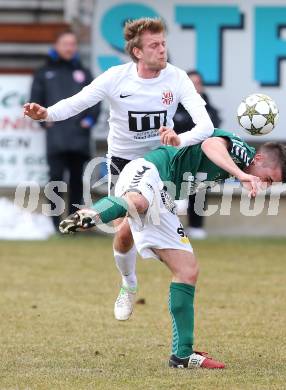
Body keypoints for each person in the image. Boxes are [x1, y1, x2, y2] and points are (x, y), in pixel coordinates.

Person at [23, 18, 214, 321]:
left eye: (163, 43)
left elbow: (206, 125)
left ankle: (172, 259)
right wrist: (47, 112)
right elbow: (78, 102)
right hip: (123, 164)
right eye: (154, 45)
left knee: (142, 224)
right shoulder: (116, 78)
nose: (162, 50)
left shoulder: (177, 78)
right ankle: (128, 284)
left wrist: (180, 139)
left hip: (161, 161)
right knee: (124, 231)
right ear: (137, 52)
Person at [59, 129, 286, 369]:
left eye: (269, 185)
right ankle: (91, 217)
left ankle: (182, 355)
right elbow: (210, 145)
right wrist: (240, 174)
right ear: (259, 159)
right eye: (266, 179)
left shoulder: (239, 164)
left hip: (164, 197)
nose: (263, 185)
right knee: (136, 205)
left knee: (187, 270)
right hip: (149, 170)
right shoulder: (242, 151)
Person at [29, 30, 101, 230]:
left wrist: (89, 120)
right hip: (56, 136)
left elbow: (95, 100)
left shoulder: (83, 73)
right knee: (56, 179)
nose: (69, 48)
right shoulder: (44, 72)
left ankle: (74, 225)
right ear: (57, 47)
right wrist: (44, 122)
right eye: (65, 44)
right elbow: (35, 100)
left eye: (72, 44)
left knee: (77, 180)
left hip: (79, 135)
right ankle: (54, 223)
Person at [173, 70, 221, 239]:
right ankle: (171, 228)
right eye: (191, 83)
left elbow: (212, 131)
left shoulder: (210, 110)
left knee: (200, 186)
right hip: (175, 160)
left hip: (200, 159)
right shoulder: (173, 108)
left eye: (198, 83)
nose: (195, 87)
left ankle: (196, 226)